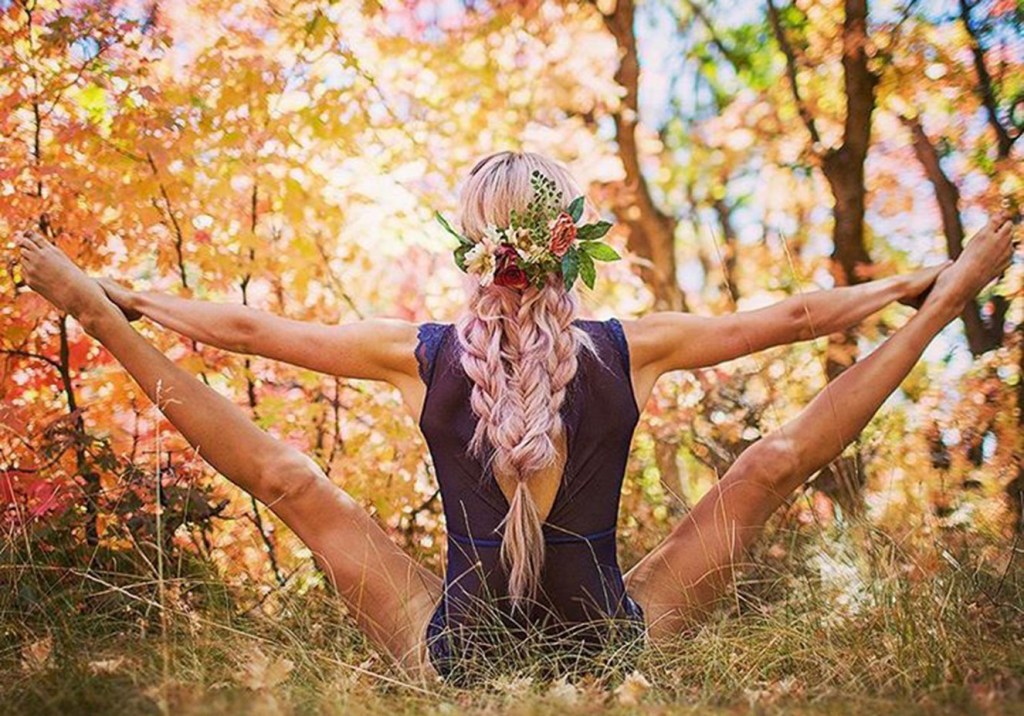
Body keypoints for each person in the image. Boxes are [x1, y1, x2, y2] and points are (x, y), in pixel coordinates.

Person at [13, 150, 1015, 686]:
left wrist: (121, 302)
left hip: (454, 651)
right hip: (613, 642)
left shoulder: (414, 352)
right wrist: (923, 285)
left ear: (471, 238)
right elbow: (791, 318)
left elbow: (244, 326)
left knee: (290, 480)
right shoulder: (632, 343)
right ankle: (939, 313)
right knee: (772, 461)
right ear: (569, 235)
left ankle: (97, 321)